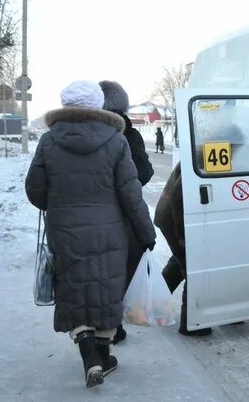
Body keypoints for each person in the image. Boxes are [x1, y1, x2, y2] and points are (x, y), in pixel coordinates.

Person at [25, 80, 156, 388]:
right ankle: (103, 356)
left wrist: (58, 202)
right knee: (104, 290)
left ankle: (89, 358)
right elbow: (131, 194)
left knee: (73, 289)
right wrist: (146, 232)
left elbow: (35, 190)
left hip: (65, 231)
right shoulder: (116, 140)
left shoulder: (49, 141)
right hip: (109, 232)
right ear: (97, 104)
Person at [99, 80, 154, 344]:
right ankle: (114, 325)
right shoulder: (128, 134)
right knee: (122, 271)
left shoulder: (81, 131)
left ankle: (96, 330)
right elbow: (143, 174)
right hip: (125, 218)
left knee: (95, 272)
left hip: (87, 220)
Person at [154, 163, 212, 336]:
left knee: (179, 260)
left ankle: (153, 304)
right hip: (172, 220)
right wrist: (182, 235)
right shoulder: (200, 158)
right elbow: (177, 198)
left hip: (169, 217)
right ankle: (190, 323)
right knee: (192, 266)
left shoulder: (205, 152)